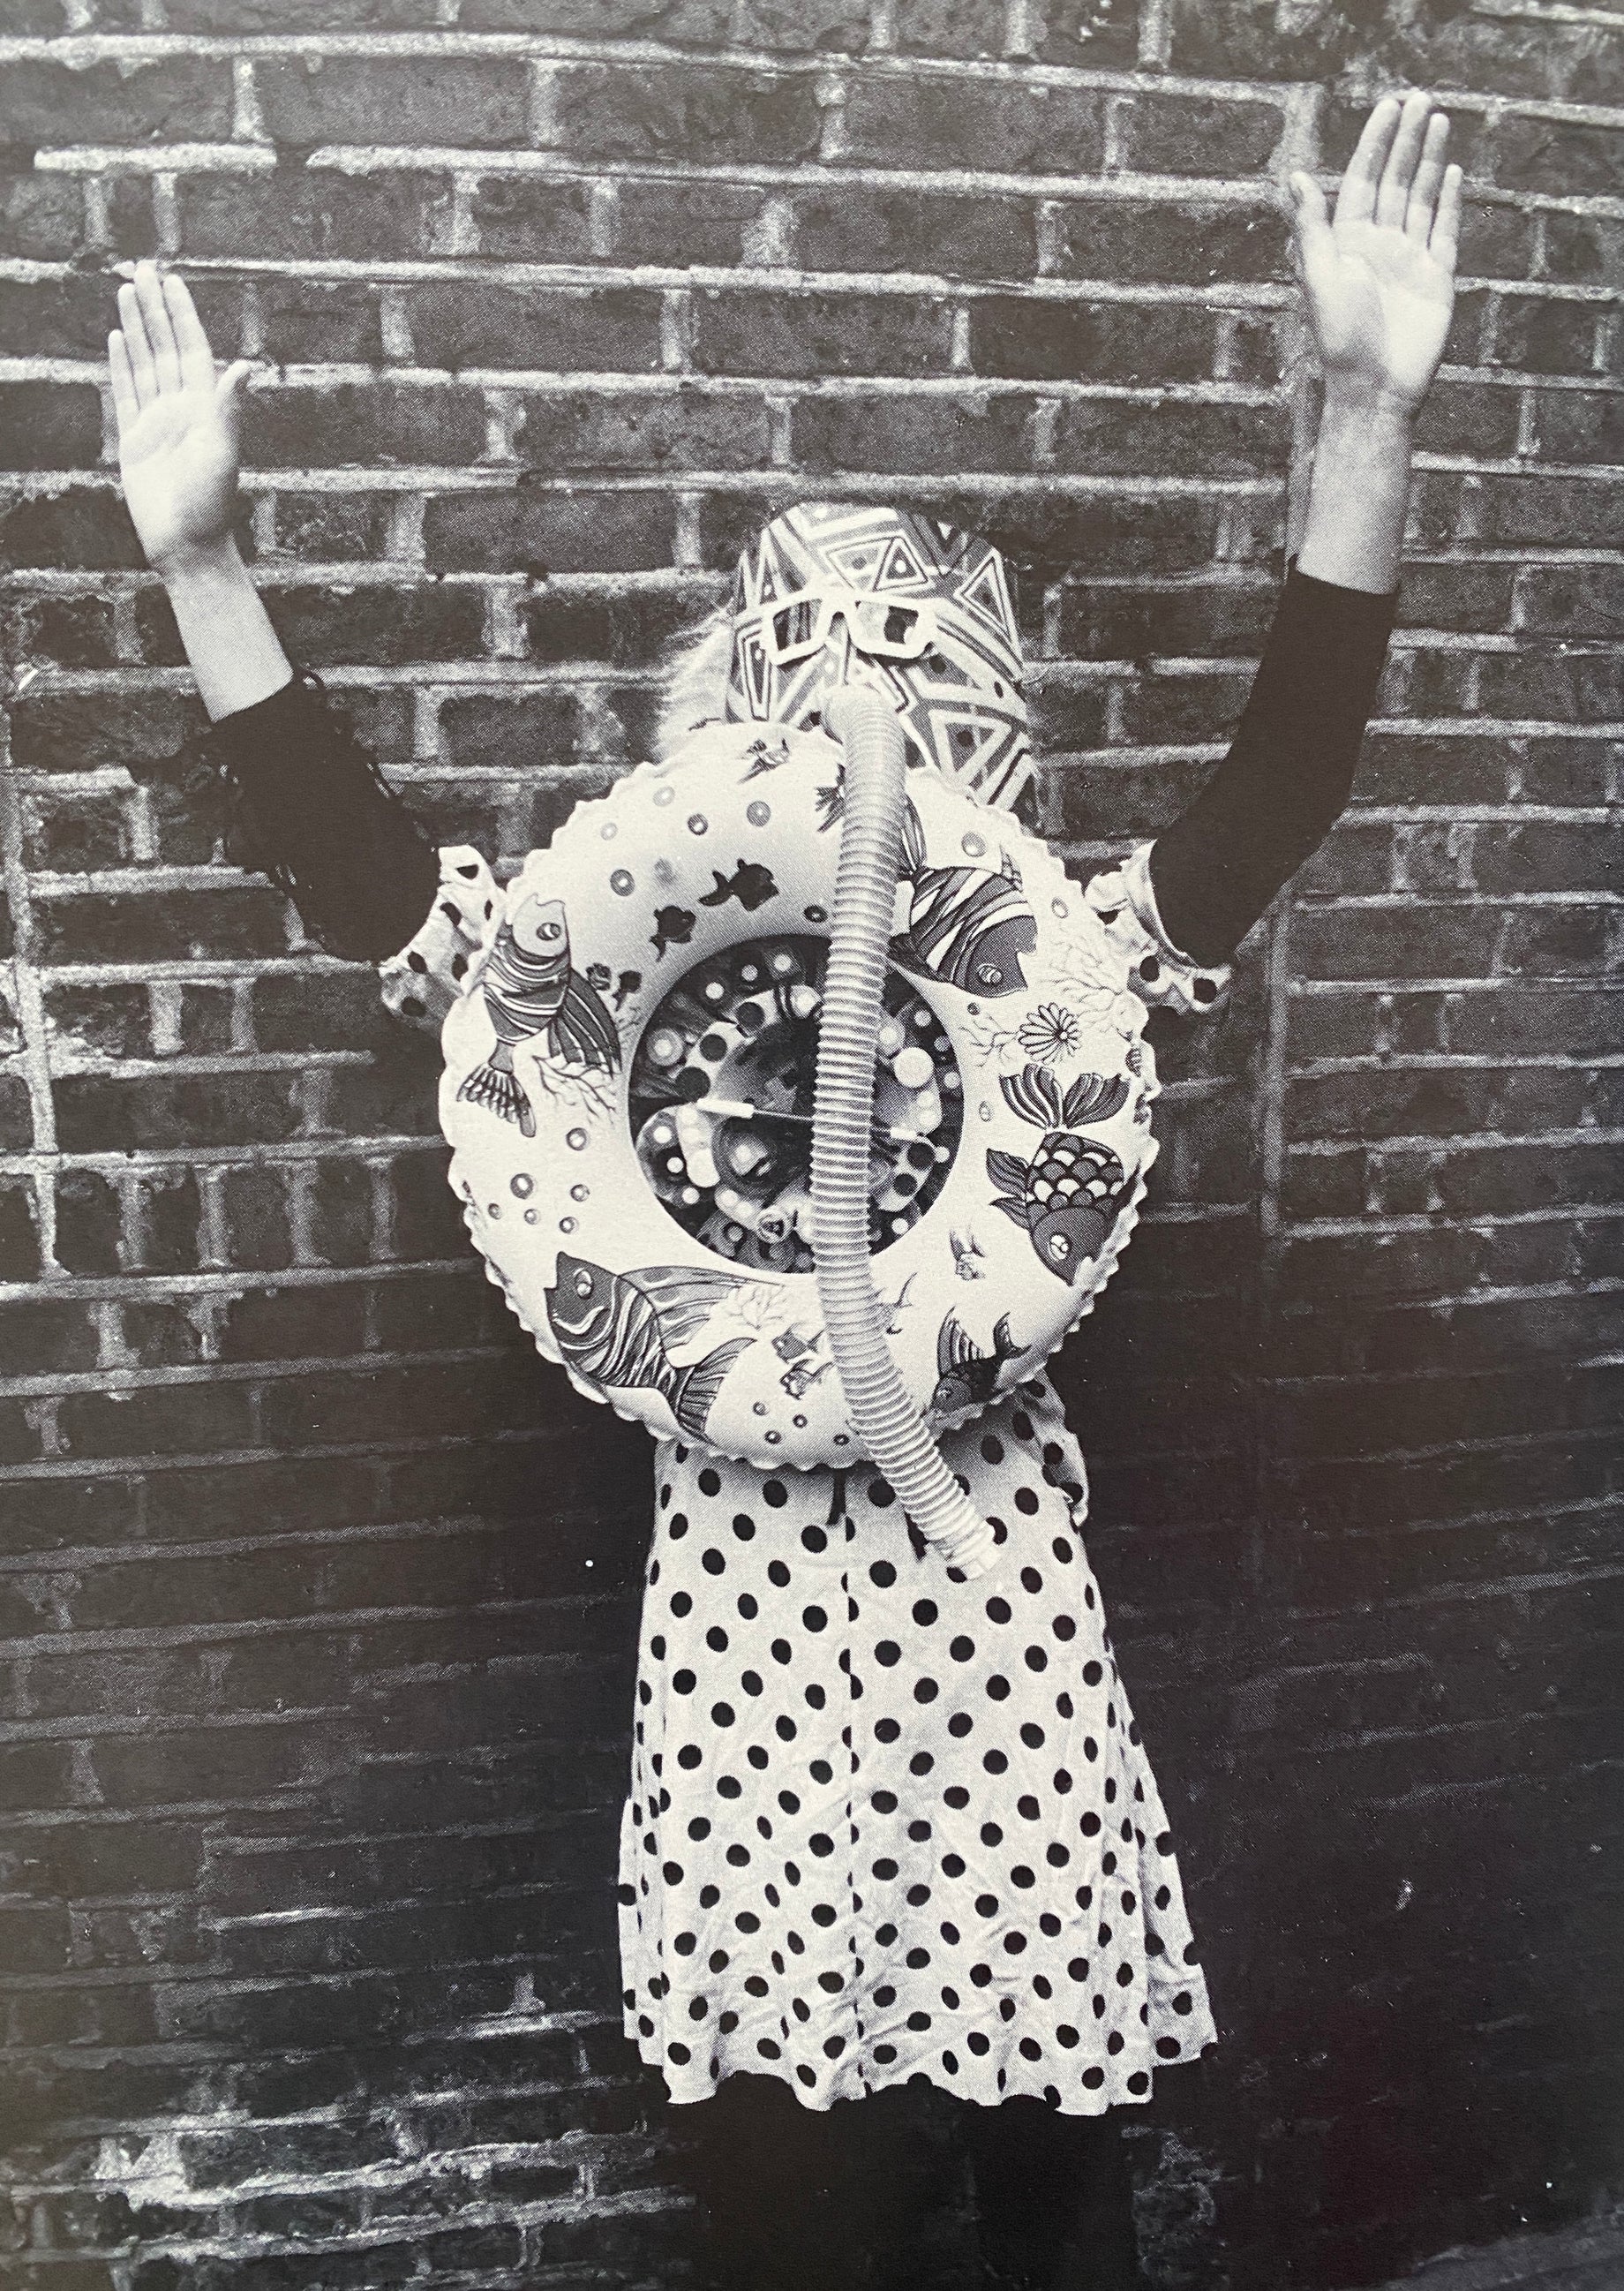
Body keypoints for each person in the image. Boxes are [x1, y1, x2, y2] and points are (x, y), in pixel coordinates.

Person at [106, 93, 1460, 2291]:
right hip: (750, 1678)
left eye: (912, 690)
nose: (865, 728)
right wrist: (200, 561)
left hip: (997, 1649)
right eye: (822, 684)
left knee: (1053, 2196)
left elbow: (1280, 778)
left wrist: (1368, 408)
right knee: (779, 2210)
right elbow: (370, 882)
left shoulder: (1061, 966)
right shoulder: (623, 982)